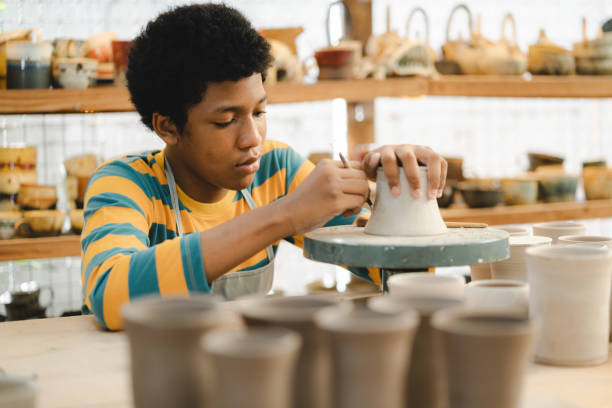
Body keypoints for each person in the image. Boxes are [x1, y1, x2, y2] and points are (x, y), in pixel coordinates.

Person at [81, 3, 447, 330]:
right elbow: (113, 296)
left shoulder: (276, 170)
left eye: (259, 112)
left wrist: (397, 194)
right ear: (168, 126)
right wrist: (284, 216)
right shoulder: (126, 184)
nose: (252, 138)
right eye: (226, 121)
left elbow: (397, 274)